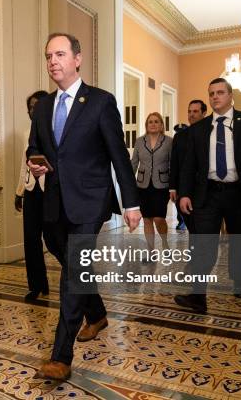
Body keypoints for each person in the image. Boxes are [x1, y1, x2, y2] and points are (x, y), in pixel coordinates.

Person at [27, 33, 141, 380]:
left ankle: (61, 356)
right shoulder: (44, 105)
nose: (52, 61)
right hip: (55, 199)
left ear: (77, 59)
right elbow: (35, 146)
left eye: (60, 54)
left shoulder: (100, 102)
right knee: (67, 258)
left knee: (73, 272)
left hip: (90, 200)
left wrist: (131, 203)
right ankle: (97, 313)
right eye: (48, 56)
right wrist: (37, 163)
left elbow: (118, 156)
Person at [176, 77, 241, 313]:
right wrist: (184, 194)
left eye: (220, 92)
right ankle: (198, 297)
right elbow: (189, 164)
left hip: (238, 193)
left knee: (239, 240)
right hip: (207, 194)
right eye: (211, 93)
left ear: (230, 96)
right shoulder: (199, 128)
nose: (215, 97)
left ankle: (238, 281)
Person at [15, 90, 50, 301]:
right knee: (31, 240)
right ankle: (36, 285)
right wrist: (19, 192)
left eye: (36, 107)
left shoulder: (57, 130)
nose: (32, 111)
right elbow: (23, 165)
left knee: (54, 240)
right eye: (30, 108)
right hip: (31, 191)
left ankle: (71, 282)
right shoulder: (27, 132)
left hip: (51, 192)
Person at [131, 112, 173, 255]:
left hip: (162, 186)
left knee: (159, 218)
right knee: (147, 219)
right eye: (150, 122)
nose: (153, 124)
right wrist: (128, 183)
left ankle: (165, 242)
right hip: (142, 186)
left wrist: (174, 186)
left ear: (162, 125)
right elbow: (134, 163)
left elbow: (173, 164)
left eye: (156, 121)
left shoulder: (169, 141)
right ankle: (151, 251)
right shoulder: (139, 141)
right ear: (146, 125)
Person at [169, 100, 207, 233]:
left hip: (205, 188)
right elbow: (174, 162)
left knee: (204, 227)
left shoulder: (210, 133)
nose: (191, 115)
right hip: (183, 188)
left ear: (204, 113)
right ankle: (195, 250)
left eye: (195, 111)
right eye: (189, 111)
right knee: (192, 226)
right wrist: (172, 187)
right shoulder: (179, 136)